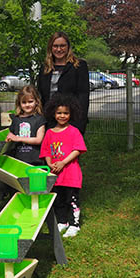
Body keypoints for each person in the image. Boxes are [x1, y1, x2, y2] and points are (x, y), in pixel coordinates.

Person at [40, 94, 87, 238]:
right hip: (56, 175)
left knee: (71, 200)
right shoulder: (49, 133)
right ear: (53, 114)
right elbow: (46, 151)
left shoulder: (74, 131)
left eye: (66, 113)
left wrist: (63, 162)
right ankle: (62, 222)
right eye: (59, 113)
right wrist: (49, 163)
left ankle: (74, 224)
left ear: (71, 114)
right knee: (58, 199)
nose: (62, 116)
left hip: (71, 174)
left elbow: (78, 149)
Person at [37, 32, 89, 135]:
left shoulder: (78, 66)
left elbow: (83, 96)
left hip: (70, 121)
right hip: (49, 122)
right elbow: (40, 95)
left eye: (62, 46)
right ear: (50, 47)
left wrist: (79, 125)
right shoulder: (45, 68)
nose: (59, 49)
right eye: (55, 46)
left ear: (68, 47)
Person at [6, 85, 46, 165]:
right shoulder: (16, 119)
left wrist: (19, 138)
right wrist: (8, 138)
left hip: (35, 161)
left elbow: (39, 140)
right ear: (19, 103)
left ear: (36, 101)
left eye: (30, 101)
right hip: (17, 160)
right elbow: (11, 134)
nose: (27, 105)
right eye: (24, 102)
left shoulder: (40, 119)